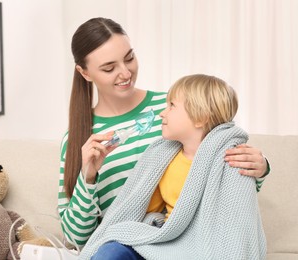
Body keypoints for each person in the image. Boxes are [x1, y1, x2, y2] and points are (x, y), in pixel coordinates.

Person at [57, 17, 269, 251]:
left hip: (187, 241)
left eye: (129, 58)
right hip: (126, 245)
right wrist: (88, 176)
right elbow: (76, 238)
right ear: (85, 73)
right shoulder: (80, 139)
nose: (126, 73)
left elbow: (222, 164)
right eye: (109, 68)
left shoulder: (177, 109)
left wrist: (259, 167)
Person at [80, 74, 266, 260]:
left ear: (200, 117)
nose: (163, 112)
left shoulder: (231, 160)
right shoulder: (162, 157)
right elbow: (137, 209)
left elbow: (238, 225)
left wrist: (263, 168)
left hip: (199, 248)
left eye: (172, 106)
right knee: (112, 251)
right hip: (165, 242)